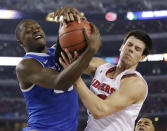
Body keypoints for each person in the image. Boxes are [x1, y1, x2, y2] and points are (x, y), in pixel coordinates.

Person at [15, 7, 102, 131]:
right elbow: (60, 82)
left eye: (38, 28)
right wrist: (91, 50)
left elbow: (83, 37)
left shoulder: (57, 51)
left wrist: (75, 18)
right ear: (20, 42)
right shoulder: (26, 65)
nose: (35, 31)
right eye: (28, 31)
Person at [60, 29, 152, 131]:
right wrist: (67, 27)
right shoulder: (100, 66)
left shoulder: (136, 83)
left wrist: (77, 80)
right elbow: (70, 58)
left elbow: (100, 111)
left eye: (137, 49)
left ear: (142, 58)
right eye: (129, 45)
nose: (131, 49)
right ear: (122, 47)